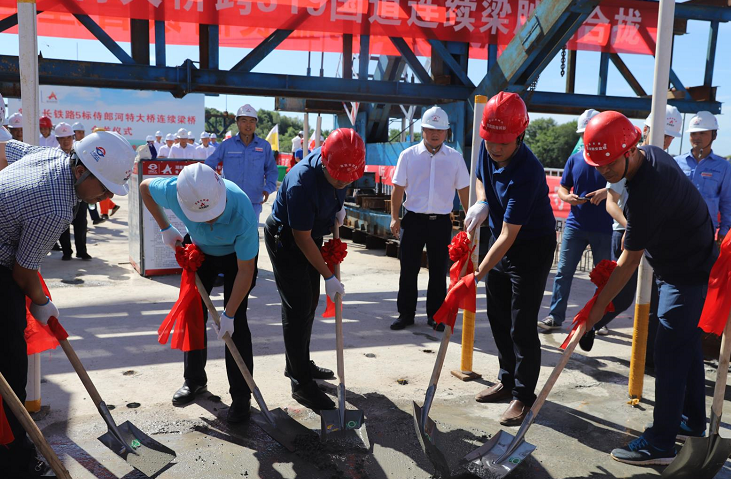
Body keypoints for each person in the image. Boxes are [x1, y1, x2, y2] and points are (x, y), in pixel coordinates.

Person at [582, 111, 717, 466]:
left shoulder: (647, 191)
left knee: (668, 350)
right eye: (598, 165)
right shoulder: (651, 155)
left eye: (610, 164)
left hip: (686, 271)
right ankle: (691, 422)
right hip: (687, 259)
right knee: (686, 344)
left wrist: (597, 310)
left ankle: (660, 444)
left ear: (630, 150)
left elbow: (629, 262)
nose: (604, 171)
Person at [0, 129, 134, 476]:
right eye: (104, 188)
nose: (106, 196)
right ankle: (15, 464)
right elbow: (23, 273)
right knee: (11, 372)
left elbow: (4, 148)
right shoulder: (57, 208)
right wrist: (42, 302)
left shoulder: (50, 156)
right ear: (80, 170)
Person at [463, 92, 556, 426]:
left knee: (521, 323)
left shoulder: (528, 171)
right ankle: (506, 379)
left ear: (520, 135)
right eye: (490, 141)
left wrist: (477, 273)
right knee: (497, 315)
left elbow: (509, 234)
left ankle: (523, 395)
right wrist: (483, 201)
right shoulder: (487, 149)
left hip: (530, 246)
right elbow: (479, 177)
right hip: (500, 239)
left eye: (502, 143)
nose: (495, 148)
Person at [139, 163, 258, 421]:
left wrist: (228, 314)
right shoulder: (173, 190)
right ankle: (194, 380)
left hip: (236, 258)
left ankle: (241, 395)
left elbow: (246, 270)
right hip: (200, 252)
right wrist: (165, 227)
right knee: (193, 314)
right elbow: (145, 188)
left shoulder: (242, 211)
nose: (209, 220)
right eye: (201, 215)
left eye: (213, 213)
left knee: (237, 323)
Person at [264, 128, 365, 412]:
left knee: (309, 302)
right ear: (325, 163)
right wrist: (328, 275)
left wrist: (337, 206)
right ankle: (300, 383)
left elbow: (340, 185)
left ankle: (298, 363)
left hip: (312, 232)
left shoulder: (344, 161)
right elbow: (302, 239)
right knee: (297, 306)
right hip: (287, 238)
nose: (344, 181)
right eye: (338, 178)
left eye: (349, 178)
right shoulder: (301, 182)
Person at [580, 105, 682, 352]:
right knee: (622, 294)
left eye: (669, 136)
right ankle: (590, 324)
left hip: (652, 238)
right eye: (661, 133)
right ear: (645, 130)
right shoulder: (623, 158)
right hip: (625, 235)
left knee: (655, 299)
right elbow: (611, 203)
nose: (665, 140)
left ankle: (650, 357)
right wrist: (631, 227)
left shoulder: (662, 165)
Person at [389, 106, 470, 331]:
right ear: (422, 129)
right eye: (431, 129)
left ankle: (435, 316)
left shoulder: (455, 158)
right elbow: (397, 188)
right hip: (413, 220)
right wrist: (395, 218)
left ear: (446, 132)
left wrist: (470, 218)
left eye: (440, 130)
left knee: (438, 270)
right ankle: (405, 314)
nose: (435, 134)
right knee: (408, 269)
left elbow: (464, 190)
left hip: (441, 222)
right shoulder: (408, 156)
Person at [538, 109, 612, 333]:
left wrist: (606, 192)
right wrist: (566, 197)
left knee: (604, 278)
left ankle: (599, 320)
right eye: (583, 134)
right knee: (563, 272)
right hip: (575, 226)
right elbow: (563, 188)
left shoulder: (611, 159)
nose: (586, 138)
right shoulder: (575, 159)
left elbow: (623, 186)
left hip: (604, 228)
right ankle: (555, 316)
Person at [205, 104, 278, 223]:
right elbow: (209, 165)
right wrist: (213, 186)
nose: (248, 125)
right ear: (237, 123)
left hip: (254, 200)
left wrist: (268, 188)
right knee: (228, 231)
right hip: (229, 199)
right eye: (244, 121)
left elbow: (272, 170)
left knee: (250, 231)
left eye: (252, 121)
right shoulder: (227, 145)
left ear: (256, 123)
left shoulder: (264, 146)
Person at [674, 111, 730, 245]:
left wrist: (724, 230)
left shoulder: (724, 167)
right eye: (693, 133)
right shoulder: (676, 163)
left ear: (714, 135)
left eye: (702, 133)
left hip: (706, 232)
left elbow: (727, 201)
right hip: (676, 229)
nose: (697, 137)